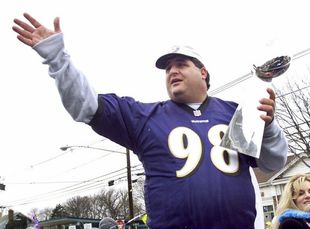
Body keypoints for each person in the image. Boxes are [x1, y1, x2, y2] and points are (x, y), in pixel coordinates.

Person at [12, 13, 288, 229]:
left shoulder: (235, 112)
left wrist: (269, 126)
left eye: (181, 64)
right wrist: (57, 58)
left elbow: (273, 163)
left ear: (203, 72)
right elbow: (85, 105)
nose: (172, 71)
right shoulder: (144, 117)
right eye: (168, 68)